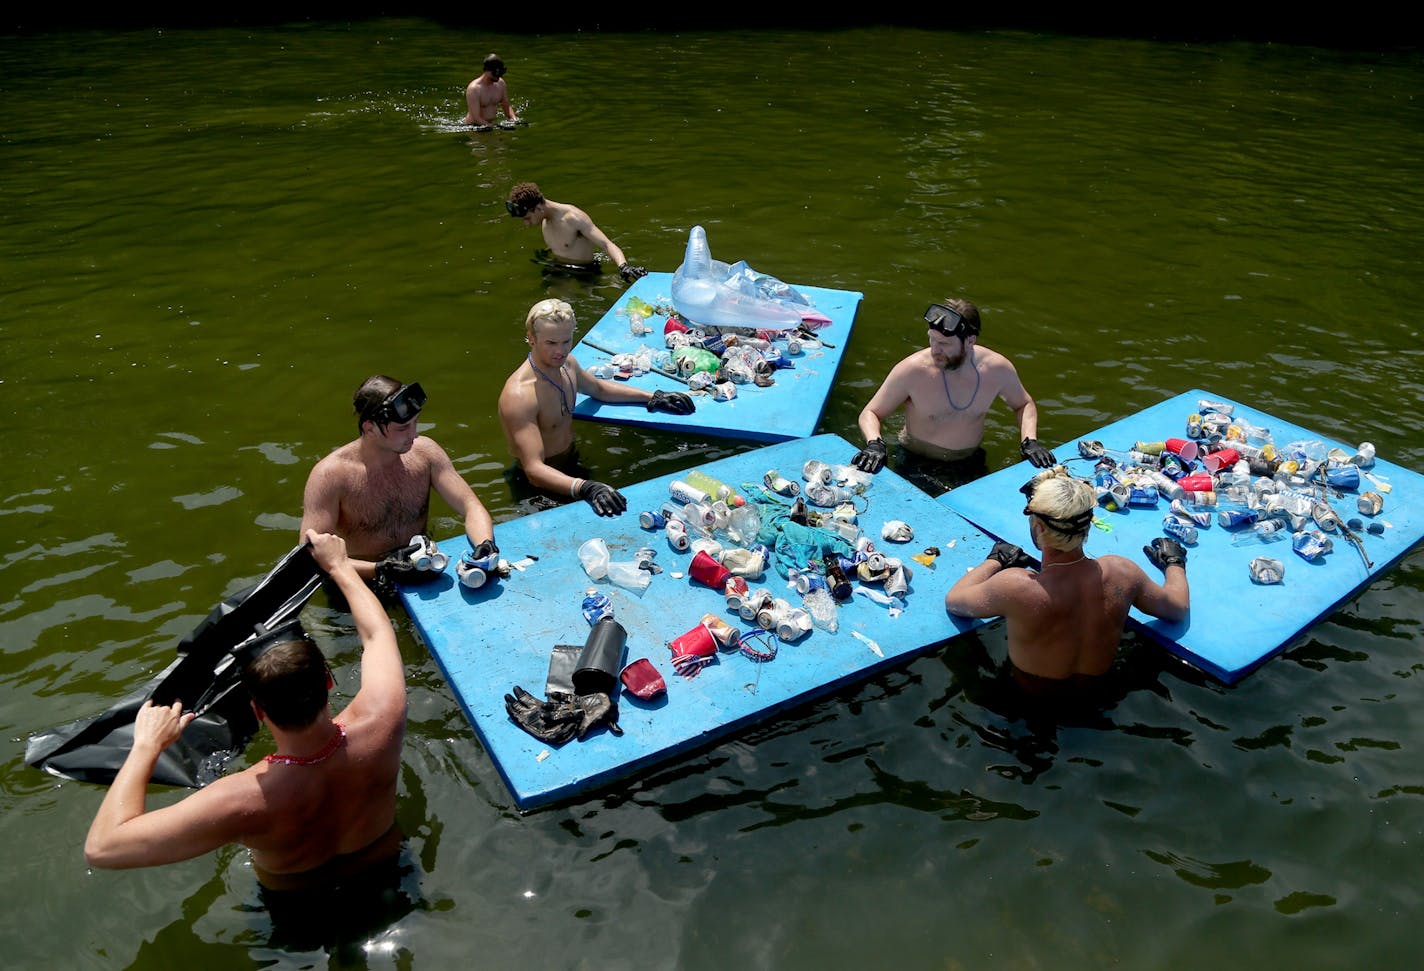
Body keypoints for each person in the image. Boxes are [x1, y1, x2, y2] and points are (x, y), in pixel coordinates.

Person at [85, 530, 408, 892]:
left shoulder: (239, 800)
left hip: (297, 910)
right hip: (388, 872)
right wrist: (339, 567)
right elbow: (378, 634)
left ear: (256, 710)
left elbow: (102, 847)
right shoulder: (383, 718)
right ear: (328, 682)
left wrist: (145, 746)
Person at [944, 469, 1190, 697]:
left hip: (1028, 700)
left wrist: (995, 560)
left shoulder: (1016, 587)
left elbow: (955, 602)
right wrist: (1174, 563)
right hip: (1098, 696)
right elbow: (1177, 609)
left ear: (1039, 528)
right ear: (1087, 525)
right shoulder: (1122, 573)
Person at [498, 298, 694, 517]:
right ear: (531, 339)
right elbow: (533, 469)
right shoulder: (520, 395)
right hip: (537, 485)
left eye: (566, 340)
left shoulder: (567, 365)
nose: (560, 351)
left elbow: (599, 389)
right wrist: (586, 488)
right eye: (551, 343)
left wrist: (653, 396)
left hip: (572, 463)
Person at [300, 376, 497, 586]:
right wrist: (381, 569)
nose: (414, 434)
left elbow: (470, 505)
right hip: (363, 582)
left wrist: (484, 544)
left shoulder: (425, 453)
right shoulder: (330, 475)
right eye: (403, 428)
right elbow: (311, 554)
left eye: (415, 423)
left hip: (421, 566)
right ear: (370, 428)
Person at [850, 298, 1057, 491]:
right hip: (915, 460)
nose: (934, 350)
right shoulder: (912, 371)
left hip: (969, 462)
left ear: (969, 341)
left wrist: (1029, 441)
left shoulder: (997, 369)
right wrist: (875, 444)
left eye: (945, 344)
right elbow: (871, 412)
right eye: (932, 340)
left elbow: (1023, 404)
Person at [505, 182, 648, 282]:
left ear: (538, 209)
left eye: (527, 218)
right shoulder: (545, 220)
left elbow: (606, 244)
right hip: (558, 269)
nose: (526, 223)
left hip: (586, 273)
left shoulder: (573, 218)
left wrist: (624, 266)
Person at [463, 53, 517, 127]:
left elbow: (506, 105)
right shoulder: (474, 89)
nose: (498, 77)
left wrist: (514, 119)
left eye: (500, 74)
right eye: (495, 74)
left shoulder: (500, 83)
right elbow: (476, 118)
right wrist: (495, 127)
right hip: (474, 126)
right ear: (487, 71)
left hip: (490, 125)